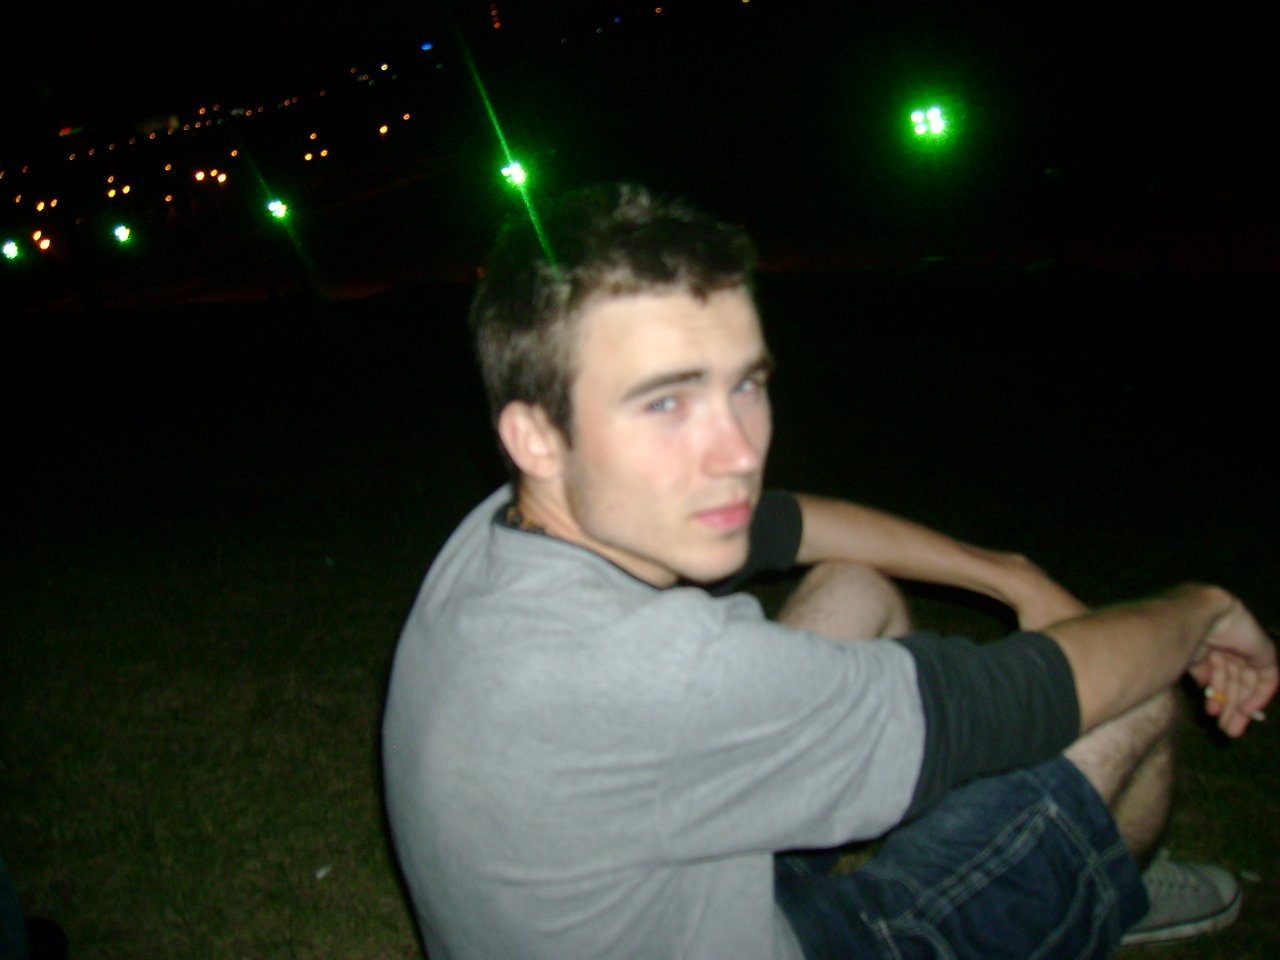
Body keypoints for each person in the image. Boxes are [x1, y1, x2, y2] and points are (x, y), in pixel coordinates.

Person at [381, 182, 1276, 959]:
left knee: (857, 589)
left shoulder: (503, 531)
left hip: (660, 891)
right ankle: (1104, 881)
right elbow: (1013, 698)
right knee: (1136, 697)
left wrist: (1009, 574)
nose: (737, 450)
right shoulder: (657, 675)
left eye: (746, 384)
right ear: (536, 434)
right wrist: (1203, 607)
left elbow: (787, 523)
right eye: (666, 402)